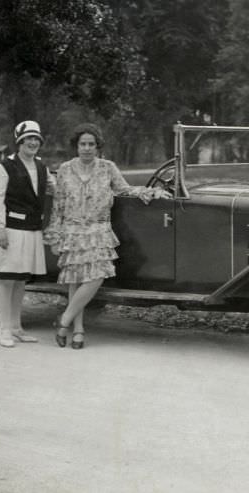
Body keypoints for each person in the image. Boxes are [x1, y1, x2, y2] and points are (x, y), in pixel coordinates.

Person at [44, 122, 167, 349]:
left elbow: (124, 190)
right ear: (76, 146)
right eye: (83, 144)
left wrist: (151, 192)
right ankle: (78, 330)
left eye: (91, 144)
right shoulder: (64, 169)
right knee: (75, 279)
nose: (87, 148)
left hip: (99, 231)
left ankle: (63, 320)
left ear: (98, 146)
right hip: (72, 232)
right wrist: (54, 236)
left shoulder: (108, 168)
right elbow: (58, 205)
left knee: (96, 276)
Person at [0, 120, 55, 347]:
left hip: (32, 229)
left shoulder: (41, 167)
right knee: (7, 279)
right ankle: (4, 329)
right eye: (28, 139)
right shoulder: (4, 167)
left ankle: (16, 327)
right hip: (10, 229)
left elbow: (55, 188)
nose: (33, 143)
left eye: (36, 139)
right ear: (19, 142)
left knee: (20, 281)